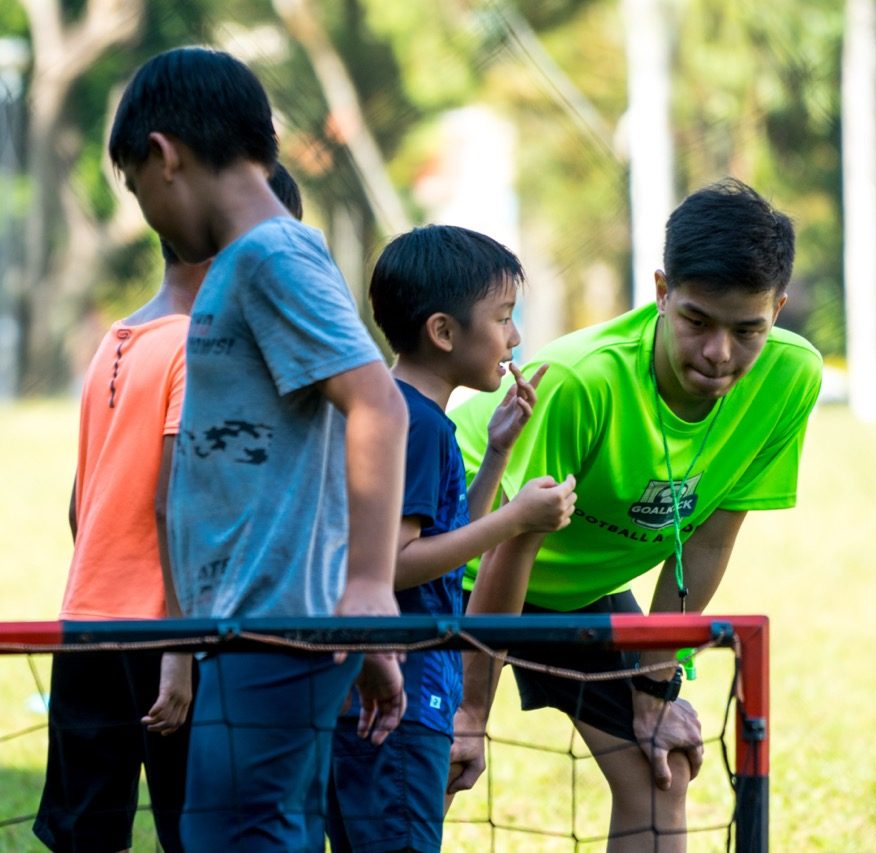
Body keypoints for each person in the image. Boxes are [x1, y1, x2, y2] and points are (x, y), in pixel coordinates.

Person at [447, 178, 823, 851]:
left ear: (779, 309)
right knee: (434, 762)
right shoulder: (581, 379)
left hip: (578, 585)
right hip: (468, 562)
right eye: (697, 321)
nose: (719, 354)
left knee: (662, 768)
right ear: (660, 291)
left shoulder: (792, 377)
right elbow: (511, 546)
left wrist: (655, 682)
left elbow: (706, 540)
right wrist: (471, 708)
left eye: (748, 330)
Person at [108, 46, 409, 850]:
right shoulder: (252, 263)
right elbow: (321, 444)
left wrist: (370, 590)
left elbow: (378, 403)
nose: (148, 213)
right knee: (258, 827)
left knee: (231, 834)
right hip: (257, 619)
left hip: (278, 621)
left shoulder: (270, 257)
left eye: (137, 190)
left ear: (163, 155)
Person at [32, 163, 306, 853]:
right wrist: (181, 650)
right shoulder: (199, 345)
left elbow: (80, 503)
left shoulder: (114, 339)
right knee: (200, 831)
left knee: (84, 834)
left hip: (87, 622)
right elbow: (176, 502)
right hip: (168, 635)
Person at [326, 225, 576, 853]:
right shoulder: (417, 425)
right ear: (443, 332)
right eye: (503, 317)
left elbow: (441, 537)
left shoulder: (398, 410)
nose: (514, 337)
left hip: (378, 698)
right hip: (399, 704)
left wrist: (496, 454)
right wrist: (517, 520)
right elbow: (394, 566)